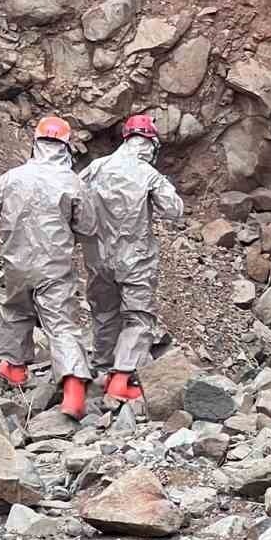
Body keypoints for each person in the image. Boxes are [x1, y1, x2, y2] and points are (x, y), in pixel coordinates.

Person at [0, 114, 97, 420]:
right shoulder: (72, 183)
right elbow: (89, 227)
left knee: (16, 311)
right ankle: (74, 390)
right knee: (60, 323)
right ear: (66, 147)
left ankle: (14, 369)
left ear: (36, 143)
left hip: (16, 262)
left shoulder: (13, 177)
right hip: (54, 266)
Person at [80, 112, 183, 402]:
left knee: (103, 313)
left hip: (97, 256)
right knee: (138, 318)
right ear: (150, 144)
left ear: (126, 138)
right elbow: (174, 210)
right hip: (135, 258)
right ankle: (121, 379)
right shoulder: (148, 174)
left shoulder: (97, 167)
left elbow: (72, 198)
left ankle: (101, 370)